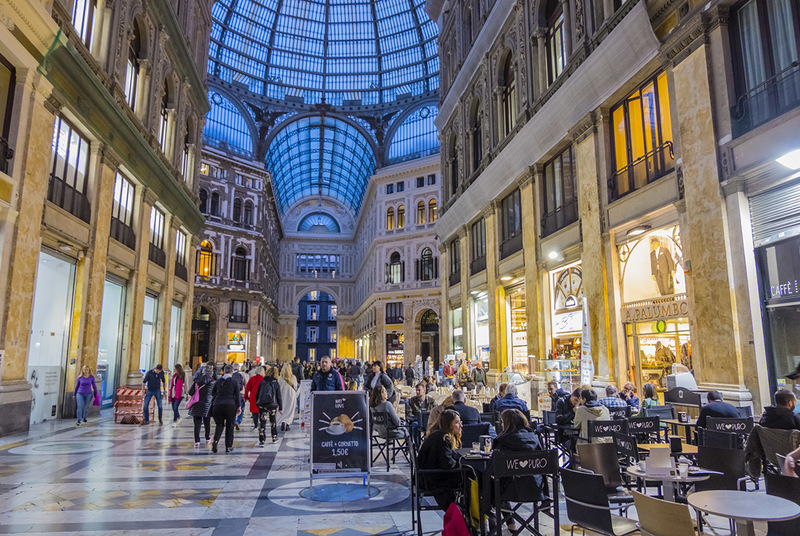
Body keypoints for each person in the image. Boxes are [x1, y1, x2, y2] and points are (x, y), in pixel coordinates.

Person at [488, 409, 546, 533]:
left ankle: (492, 521)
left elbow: (494, 470)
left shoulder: (502, 441)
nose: (502, 425)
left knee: (490, 483)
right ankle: (511, 524)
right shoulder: (536, 438)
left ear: (507, 423)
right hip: (536, 488)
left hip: (509, 491)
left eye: (503, 422)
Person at [417, 409, 463, 510]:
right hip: (432, 479)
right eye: (457, 423)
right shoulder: (442, 439)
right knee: (469, 478)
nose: (460, 425)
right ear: (449, 425)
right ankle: (465, 514)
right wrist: (461, 464)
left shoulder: (437, 435)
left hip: (425, 476)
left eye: (460, 422)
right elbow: (448, 464)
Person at [210, 364, 242, 453]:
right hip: (230, 405)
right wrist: (239, 406)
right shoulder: (234, 382)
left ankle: (216, 440)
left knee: (219, 425)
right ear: (232, 372)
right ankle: (228, 446)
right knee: (230, 426)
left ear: (224, 371)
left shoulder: (218, 381)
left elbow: (213, 393)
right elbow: (237, 395)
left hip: (217, 405)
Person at [189, 363, 216, 447]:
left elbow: (190, 392)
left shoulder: (197, 381)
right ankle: (207, 438)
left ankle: (197, 441)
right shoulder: (213, 382)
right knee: (207, 421)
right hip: (207, 404)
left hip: (196, 403)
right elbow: (214, 393)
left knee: (197, 423)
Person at [256, 366, 282, 444]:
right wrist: (280, 407)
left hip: (262, 404)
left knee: (262, 421)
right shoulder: (276, 383)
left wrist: (257, 403)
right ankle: (274, 437)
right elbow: (278, 396)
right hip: (272, 405)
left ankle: (262, 439)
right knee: (273, 422)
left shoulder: (262, 382)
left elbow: (258, 394)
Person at [278, 363, 298, 431]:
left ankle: (283, 421)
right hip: (291, 395)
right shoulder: (293, 377)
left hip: (282, 394)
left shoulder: (280, 378)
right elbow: (295, 387)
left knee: (283, 408)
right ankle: (287, 423)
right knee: (290, 409)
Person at [232, 363, 248, 430]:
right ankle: (238, 421)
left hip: (232, 394)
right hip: (241, 394)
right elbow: (246, 384)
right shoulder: (242, 374)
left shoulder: (231, 374)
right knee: (241, 408)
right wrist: (246, 394)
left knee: (233, 408)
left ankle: (234, 420)